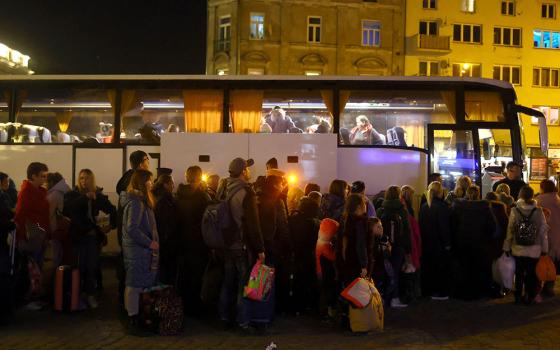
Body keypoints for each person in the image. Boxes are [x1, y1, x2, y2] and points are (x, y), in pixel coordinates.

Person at [217, 158, 265, 333]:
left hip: (225, 244)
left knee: (227, 281)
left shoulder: (222, 187)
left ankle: (224, 318)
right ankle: (243, 322)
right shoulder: (247, 192)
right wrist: (260, 249)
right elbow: (253, 223)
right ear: (244, 171)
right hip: (241, 244)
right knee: (243, 284)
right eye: (248, 169)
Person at [64, 169, 116, 309]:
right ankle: (78, 295)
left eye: (87, 178)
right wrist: (85, 197)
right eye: (81, 178)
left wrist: (110, 226)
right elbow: (68, 209)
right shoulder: (72, 194)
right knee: (78, 267)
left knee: (91, 267)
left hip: (92, 238)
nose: (83, 181)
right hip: (77, 237)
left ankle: (90, 295)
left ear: (92, 180)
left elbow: (113, 210)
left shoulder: (98, 196)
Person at [120, 169, 159, 334]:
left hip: (138, 251)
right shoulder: (137, 202)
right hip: (138, 251)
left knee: (137, 285)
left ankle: (137, 317)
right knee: (134, 286)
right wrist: (149, 243)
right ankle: (133, 320)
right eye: (149, 180)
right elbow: (132, 228)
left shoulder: (139, 200)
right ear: (143, 182)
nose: (152, 183)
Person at [503, 185, 548, 305]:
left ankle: (518, 296)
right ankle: (529, 296)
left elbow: (510, 230)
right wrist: (545, 248)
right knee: (532, 273)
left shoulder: (515, 210)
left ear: (520, 195)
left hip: (518, 248)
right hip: (535, 248)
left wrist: (506, 246)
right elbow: (543, 231)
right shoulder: (539, 211)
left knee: (519, 273)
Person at [176, 166, 211, 316]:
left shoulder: (178, 195)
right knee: (198, 276)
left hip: (182, 241)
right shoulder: (203, 197)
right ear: (200, 176)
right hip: (199, 242)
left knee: (185, 274)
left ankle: (184, 305)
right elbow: (208, 221)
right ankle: (196, 307)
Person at [116, 151, 150, 305]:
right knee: (133, 279)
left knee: (128, 271)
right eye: (147, 160)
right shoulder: (136, 197)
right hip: (135, 242)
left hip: (125, 237)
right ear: (141, 162)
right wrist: (148, 241)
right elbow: (133, 226)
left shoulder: (125, 181)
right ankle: (132, 309)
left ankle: (127, 303)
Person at [451, 185, 495, 300]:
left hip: (462, 242)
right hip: (481, 243)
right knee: (479, 268)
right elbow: (492, 226)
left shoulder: (458, 206)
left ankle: (464, 293)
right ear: (478, 194)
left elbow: (452, 224)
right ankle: (480, 293)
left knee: (464, 267)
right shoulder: (485, 207)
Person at [376, 186, 412, 308]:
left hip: (384, 246)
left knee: (384, 272)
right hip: (398, 246)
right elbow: (407, 231)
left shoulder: (381, 210)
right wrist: (408, 250)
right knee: (395, 272)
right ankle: (394, 298)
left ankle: (383, 297)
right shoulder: (402, 211)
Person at [418, 181, 451, 300]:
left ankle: (428, 290)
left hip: (427, 243)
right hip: (438, 244)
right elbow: (444, 227)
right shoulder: (442, 207)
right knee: (440, 268)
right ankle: (439, 292)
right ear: (440, 192)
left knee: (429, 267)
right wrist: (447, 243)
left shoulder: (424, 206)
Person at [288, 196, 320, 313]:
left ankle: (293, 305)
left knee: (295, 281)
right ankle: (306, 305)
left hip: (293, 255)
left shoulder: (291, 219)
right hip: (308, 256)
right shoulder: (314, 223)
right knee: (307, 281)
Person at [14, 162, 50, 257]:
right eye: (43, 176)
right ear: (34, 176)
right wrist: (22, 238)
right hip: (32, 237)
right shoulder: (26, 193)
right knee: (33, 266)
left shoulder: (39, 191)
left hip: (38, 234)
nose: (45, 179)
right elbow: (20, 215)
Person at [152, 174, 179, 286]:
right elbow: (166, 222)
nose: (173, 185)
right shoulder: (165, 200)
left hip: (161, 241)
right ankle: (165, 299)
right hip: (166, 243)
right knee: (166, 274)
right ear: (165, 184)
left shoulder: (156, 197)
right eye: (171, 183)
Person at [338, 194, 370, 285]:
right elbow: (361, 244)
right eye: (364, 203)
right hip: (356, 262)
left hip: (345, 261)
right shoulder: (359, 222)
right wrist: (363, 265)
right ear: (359, 206)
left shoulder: (344, 219)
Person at [536, 180, 560, 297]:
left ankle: (538, 285)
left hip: (544, 233)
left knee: (540, 260)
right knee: (552, 262)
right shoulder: (558, 199)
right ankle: (549, 286)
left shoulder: (539, 200)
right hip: (557, 235)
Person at [315, 218, 339, 320]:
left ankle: (324, 311)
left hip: (319, 270)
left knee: (323, 292)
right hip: (322, 272)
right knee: (325, 292)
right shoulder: (325, 245)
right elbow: (333, 257)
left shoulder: (319, 241)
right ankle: (325, 313)